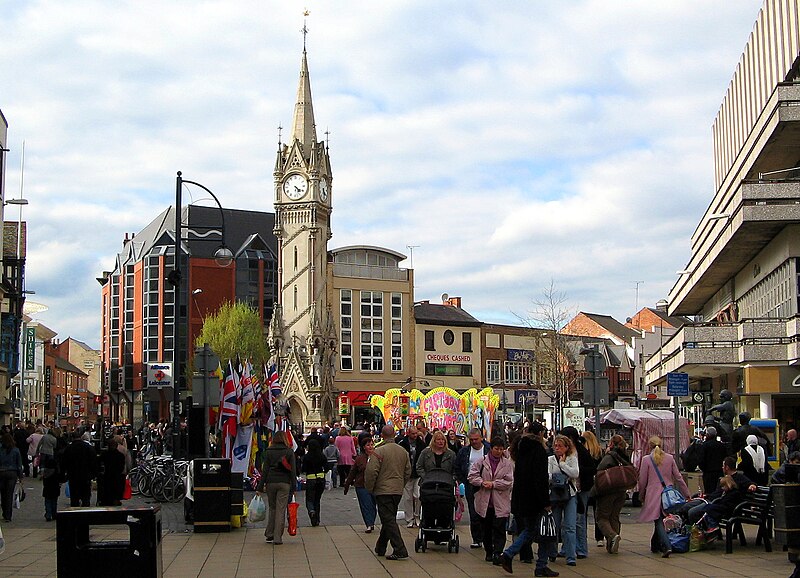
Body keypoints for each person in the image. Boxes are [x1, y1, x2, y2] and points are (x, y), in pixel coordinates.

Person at [498, 422, 557, 577]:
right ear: (540, 434)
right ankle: (514, 556)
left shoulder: (520, 448)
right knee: (542, 532)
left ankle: (536, 564)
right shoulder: (538, 450)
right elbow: (540, 479)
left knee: (531, 530)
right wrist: (546, 502)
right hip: (535, 499)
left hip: (522, 497)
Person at [365, 425, 412, 561]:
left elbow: (371, 472)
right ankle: (381, 546)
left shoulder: (379, 451)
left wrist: (370, 488)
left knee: (388, 519)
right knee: (389, 517)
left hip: (383, 490)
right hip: (397, 490)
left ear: (382, 435)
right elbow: (408, 470)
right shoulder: (403, 451)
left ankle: (400, 549)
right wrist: (401, 483)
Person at [638, 435, 689, 557]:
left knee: (658, 521)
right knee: (659, 518)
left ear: (649, 446)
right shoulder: (670, 458)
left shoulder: (646, 460)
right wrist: (686, 493)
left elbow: (642, 480)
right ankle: (654, 545)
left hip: (653, 494)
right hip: (668, 494)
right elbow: (678, 477)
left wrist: (641, 494)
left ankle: (667, 546)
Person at [468, 436, 514, 564]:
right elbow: (472, 476)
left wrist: (494, 484)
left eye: (501, 449)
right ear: (491, 448)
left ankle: (497, 552)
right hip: (485, 501)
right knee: (486, 528)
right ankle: (489, 551)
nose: (498, 451)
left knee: (499, 528)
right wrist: (482, 483)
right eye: (496, 449)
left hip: (500, 501)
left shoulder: (507, 463)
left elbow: (509, 481)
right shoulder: (482, 461)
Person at [687, 456, 757, 525]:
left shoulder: (739, 478)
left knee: (692, 512)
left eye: (723, 466)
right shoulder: (724, 478)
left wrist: (752, 486)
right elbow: (717, 493)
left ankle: (697, 531)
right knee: (686, 506)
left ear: (727, 467)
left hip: (717, 503)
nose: (722, 468)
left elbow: (750, 484)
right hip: (710, 499)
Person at [593, 435, 632, 554]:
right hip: (621, 490)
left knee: (602, 517)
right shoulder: (625, 455)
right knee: (614, 517)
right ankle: (612, 546)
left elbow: (599, 470)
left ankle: (612, 536)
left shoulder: (610, 456)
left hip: (608, 491)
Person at [560, 426, 595, 560]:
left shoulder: (581, 451)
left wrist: (577, 470)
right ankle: (567, 547)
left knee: (580, 520)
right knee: (567, 521)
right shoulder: (565, 451)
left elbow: (592, 468)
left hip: (581, 489)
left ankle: (581, 548)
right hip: (567, 489)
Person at [257, 431, 297, 544]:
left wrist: (260, 487)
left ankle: (270, 533)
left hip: (271, 482)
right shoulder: (289, 451)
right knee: (281, 510)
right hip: (284, 483)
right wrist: (294, 488)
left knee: (273, 508)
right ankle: (277, 537)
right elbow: (293, 471)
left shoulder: (269, 451)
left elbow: (264, 471)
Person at [546, 434, 579, 566]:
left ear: (567, 447)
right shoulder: (550, 459)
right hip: (555, 495)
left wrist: (563, 465)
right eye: (555, 446)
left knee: (570, 526)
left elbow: (575, 473)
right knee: (555, 525)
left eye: (560, 446)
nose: (557, 448)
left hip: (569, 494)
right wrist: (557, 478)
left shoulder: (572, 458)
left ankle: (571, 556)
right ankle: (552, 552)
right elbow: (547, 475)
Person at [455, 428, 491, 548]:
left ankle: (487, 536)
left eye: (476, 439)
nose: (474, 442)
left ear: (481, 438)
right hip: (470, 484)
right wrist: (462, 480)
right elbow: (458, 466)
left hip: (487, 484)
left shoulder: (488, 449)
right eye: (471, 440)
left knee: (487, 512)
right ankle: (477, 538)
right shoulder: (464, 451)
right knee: (473, 512)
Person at [416, 430, 457, 530]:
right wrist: (425, 477)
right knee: (428, 506)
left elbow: (455, 469)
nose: (441, 442)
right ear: (434, 441)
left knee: (445, 506)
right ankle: (428, 524)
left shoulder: (450, 454)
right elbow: (419, 466)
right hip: (428, 485)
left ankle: (443, 524)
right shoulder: (426, 453)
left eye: (442, 439)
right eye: (438, 439)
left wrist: (453, 479)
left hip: (445, 486)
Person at [344, 436, 377, 533]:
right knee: (366, 505)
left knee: (373, 505)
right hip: (361, 485)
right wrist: (347, 484)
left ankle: (372, 521)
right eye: (368, 445)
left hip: (375, 485)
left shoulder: (377, 457)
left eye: (372, 444)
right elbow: (352, 473)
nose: (370, 447)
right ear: (363, 447)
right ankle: (369, 524)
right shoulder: (359, 459)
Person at [61, 429, 98, 507]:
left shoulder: (69, 448)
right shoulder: (88, 447)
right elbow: (94, 461)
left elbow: (64, 462)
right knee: (86, 496)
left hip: (73, 476)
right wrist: (93, 474)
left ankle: (75, 513)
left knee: (74, 497)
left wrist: (63, 475)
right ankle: (85, 512)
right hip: (86, 476)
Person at [398, 426, 426, 528]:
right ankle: (409, 518)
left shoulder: (421, 444)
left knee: (418, 496)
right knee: (408, 498)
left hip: (418, 473)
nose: (414, 436)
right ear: (408, 433)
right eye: (412, 433)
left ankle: (417, 515)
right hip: (407, 474)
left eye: (416, 433)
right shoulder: (403, 443)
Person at [581, 430, 604, 548]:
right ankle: (599, 538)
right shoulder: (599, 451)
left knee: (582, 512)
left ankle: (582, 536)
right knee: (597, 512)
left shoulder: (583, 452)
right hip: (597, 485)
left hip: (585, 485)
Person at [301, 437, 326, 526]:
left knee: (309, 499)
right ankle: (317, 520)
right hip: (321, 478)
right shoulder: (322, 455)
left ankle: (311, 511)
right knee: (317, 499)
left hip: (311, 479)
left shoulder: (307, 457)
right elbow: (326, 467)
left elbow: (303, 469)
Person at [37, 427, 60, 521]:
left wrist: (37, 451)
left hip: (43, 452)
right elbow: (55, 446)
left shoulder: (44, 437)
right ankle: (54, 513)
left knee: (42, 464)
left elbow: (39, 444)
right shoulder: (54, 439)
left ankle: (48, 514)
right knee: (54, 501)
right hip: (50, 452)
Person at [698, 426, 728, 494]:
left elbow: (701, 460)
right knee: (719, 492)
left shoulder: (704, 446)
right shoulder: (721, 446)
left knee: (709, 492)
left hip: (708, 473)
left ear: (707, 435)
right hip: (720, 472)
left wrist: (703, 469)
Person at [0, 433, 23, 522]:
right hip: (12, 473)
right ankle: (8, 515)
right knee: (9, 494)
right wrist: (20, 476)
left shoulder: (1, 449)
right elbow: (19, 464)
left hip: (1, 472)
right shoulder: (16, 450)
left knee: (3, 494)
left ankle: (4, 511)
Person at [99, 439, 126, 506]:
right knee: (115, 496)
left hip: (107, 477)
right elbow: (121, 467)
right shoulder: (120, 455)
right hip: (117, 478)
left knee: (107, 496)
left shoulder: (105, 454)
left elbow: (99, 463)